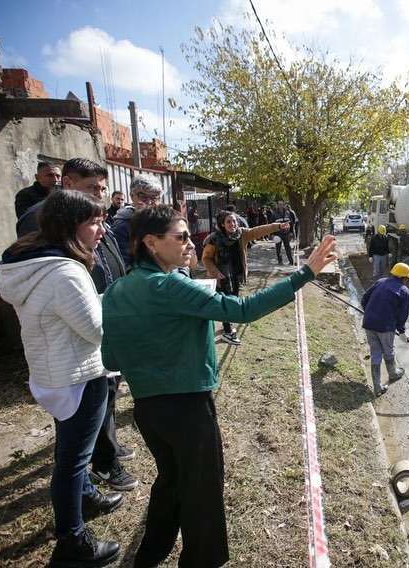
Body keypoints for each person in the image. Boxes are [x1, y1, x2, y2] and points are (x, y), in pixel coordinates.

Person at [101, 206, 338, 567]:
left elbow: (111, 358)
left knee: (171, 481)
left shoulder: (118, 289)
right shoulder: (170, 285)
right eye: (180, 236)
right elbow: (242, 310)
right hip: (188, 408)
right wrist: (304, 274)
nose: (189, 242)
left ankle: (150, 553)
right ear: (151, 242)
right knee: (202, 490)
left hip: (148, 409)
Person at [0, 191, 123, 567]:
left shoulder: (30, 262)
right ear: (71, 227)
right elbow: (97, 330)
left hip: (53, 372)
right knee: (71, 459)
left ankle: (85, 495)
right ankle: (72, 542)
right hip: (78, 376)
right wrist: (119, 308)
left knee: (71, 451)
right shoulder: (66, 272)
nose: (102, 230)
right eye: (94, 223)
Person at [16, 158, 138, 493]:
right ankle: (100, 468)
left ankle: (105, 453)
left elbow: (109, 255)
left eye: (102, 188)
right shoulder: (42, 221)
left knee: (106, 398)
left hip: (93, 320)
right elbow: (55, 279)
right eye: (92, 188)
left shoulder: (94, 218)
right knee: (80, 424)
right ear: (68, 184)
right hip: (75, 338)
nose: (100, 194)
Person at [201, 211, 290, 345]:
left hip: (236, 274)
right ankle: (228, 332)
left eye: (234, 221)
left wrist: (278, 226)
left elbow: (258, 230)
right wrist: (215, 272)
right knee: (226, 302)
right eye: (229, 222)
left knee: (233, 300)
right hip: (221, 277)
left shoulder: (241, 234)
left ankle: (227, 324)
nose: (233, 224)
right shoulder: (214, 239)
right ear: (222, 224)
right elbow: (206, 258)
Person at [361, 262, 409, 397]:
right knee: (388, 350)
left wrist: (370, 314)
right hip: (385, 327)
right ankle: (393, 373)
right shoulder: (404, 291)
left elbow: (364, 299)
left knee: (375, 352)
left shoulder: (380, 282)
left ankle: (377, 387)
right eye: (407, 278)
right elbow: (402, 314)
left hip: (369, 323)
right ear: (404, 278)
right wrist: (401, 331)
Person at [111, 174, 164, 264]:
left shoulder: (166, 221)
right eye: (143, 196)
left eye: (154, 197)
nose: (149, 202)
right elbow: (125, 264)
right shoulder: (123, 225)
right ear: (132, 196)